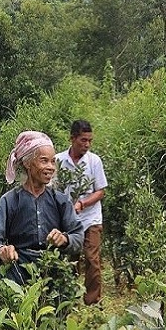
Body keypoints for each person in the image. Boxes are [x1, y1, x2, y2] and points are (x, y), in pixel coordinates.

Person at [0, 130, 84, 284]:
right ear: (27, 163)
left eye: (52, 161)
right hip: (17, 277)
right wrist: (1, 251)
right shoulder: (10, 201)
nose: (51, 167)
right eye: (44, 161)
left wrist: (64, 239)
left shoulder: (60, 200)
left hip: (53, 278)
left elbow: (78, 236)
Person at [55, 119, 108, 305]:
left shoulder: (94, 161)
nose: (87, 144)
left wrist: (82, 203)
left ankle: (92, 302)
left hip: (91, 218)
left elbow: (100, 191)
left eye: (89, 141)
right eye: (83, 140)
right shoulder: (59, 161)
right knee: (69, 259)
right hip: (68, 220)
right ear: (72, 138)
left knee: (92, 260)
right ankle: (67, 299)